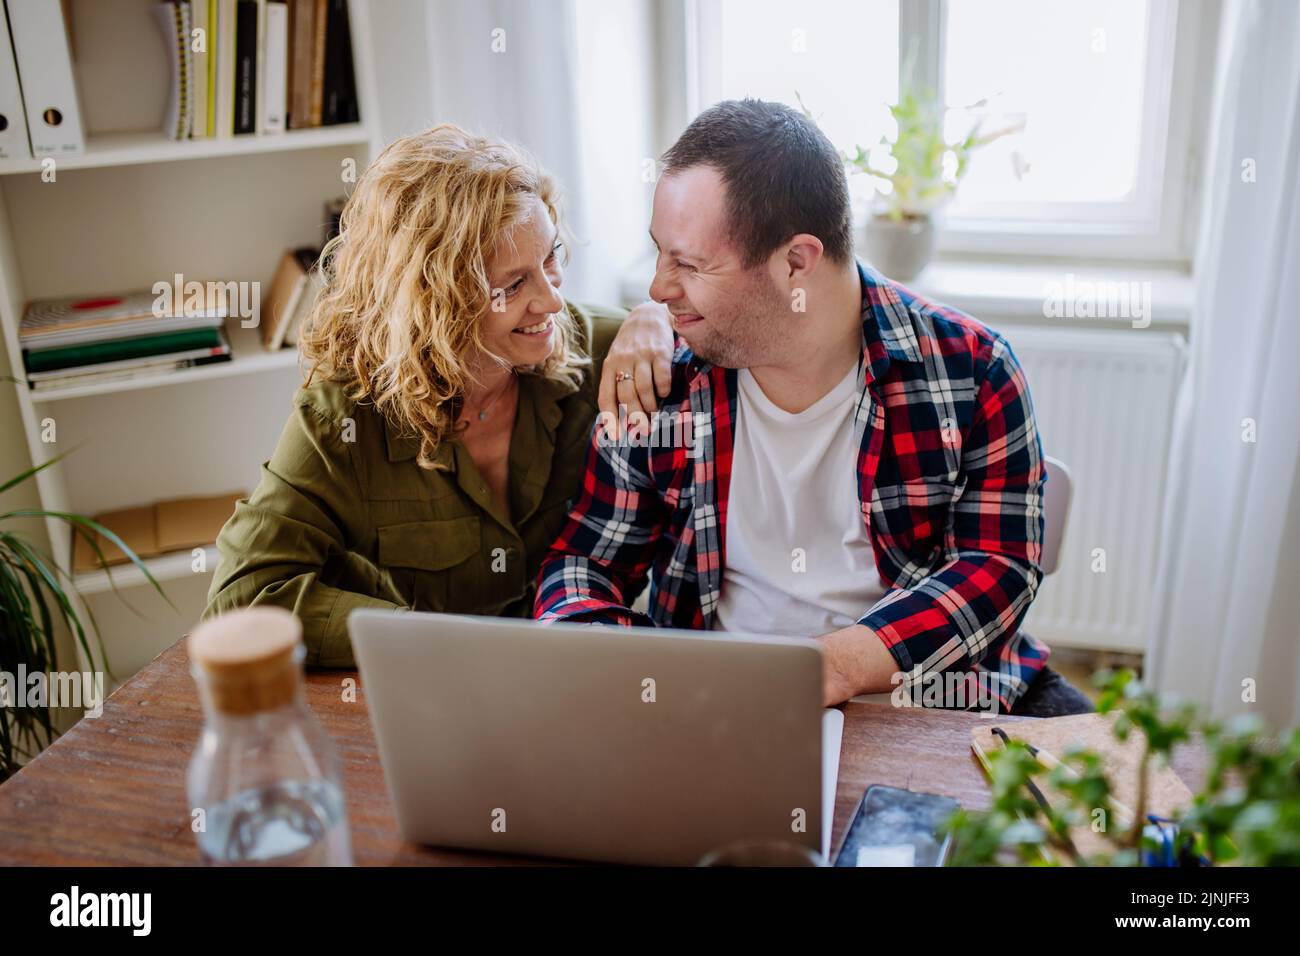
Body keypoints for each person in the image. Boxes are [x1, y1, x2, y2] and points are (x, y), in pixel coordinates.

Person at [535, 99, 1092, 717]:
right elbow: (587, 563)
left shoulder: (973, 370)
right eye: (660, 253)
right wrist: (632, 673)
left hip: (922, 699)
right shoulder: (662, 379)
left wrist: (834, 667)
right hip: (715, 708)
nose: (659, 287)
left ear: (796, 261)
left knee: (1130, 799)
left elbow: (999, 566)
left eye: (689, 264)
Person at [203, 124, 674, 667]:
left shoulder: (594, 348)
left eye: (551, 258)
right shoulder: (344, 419)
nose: (550, 301)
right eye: (512, 286)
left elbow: (716, 342)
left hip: (577, 679)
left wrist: (654, 316)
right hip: (437, 691)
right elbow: (242, 600)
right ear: (435, 301)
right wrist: (426, 640)